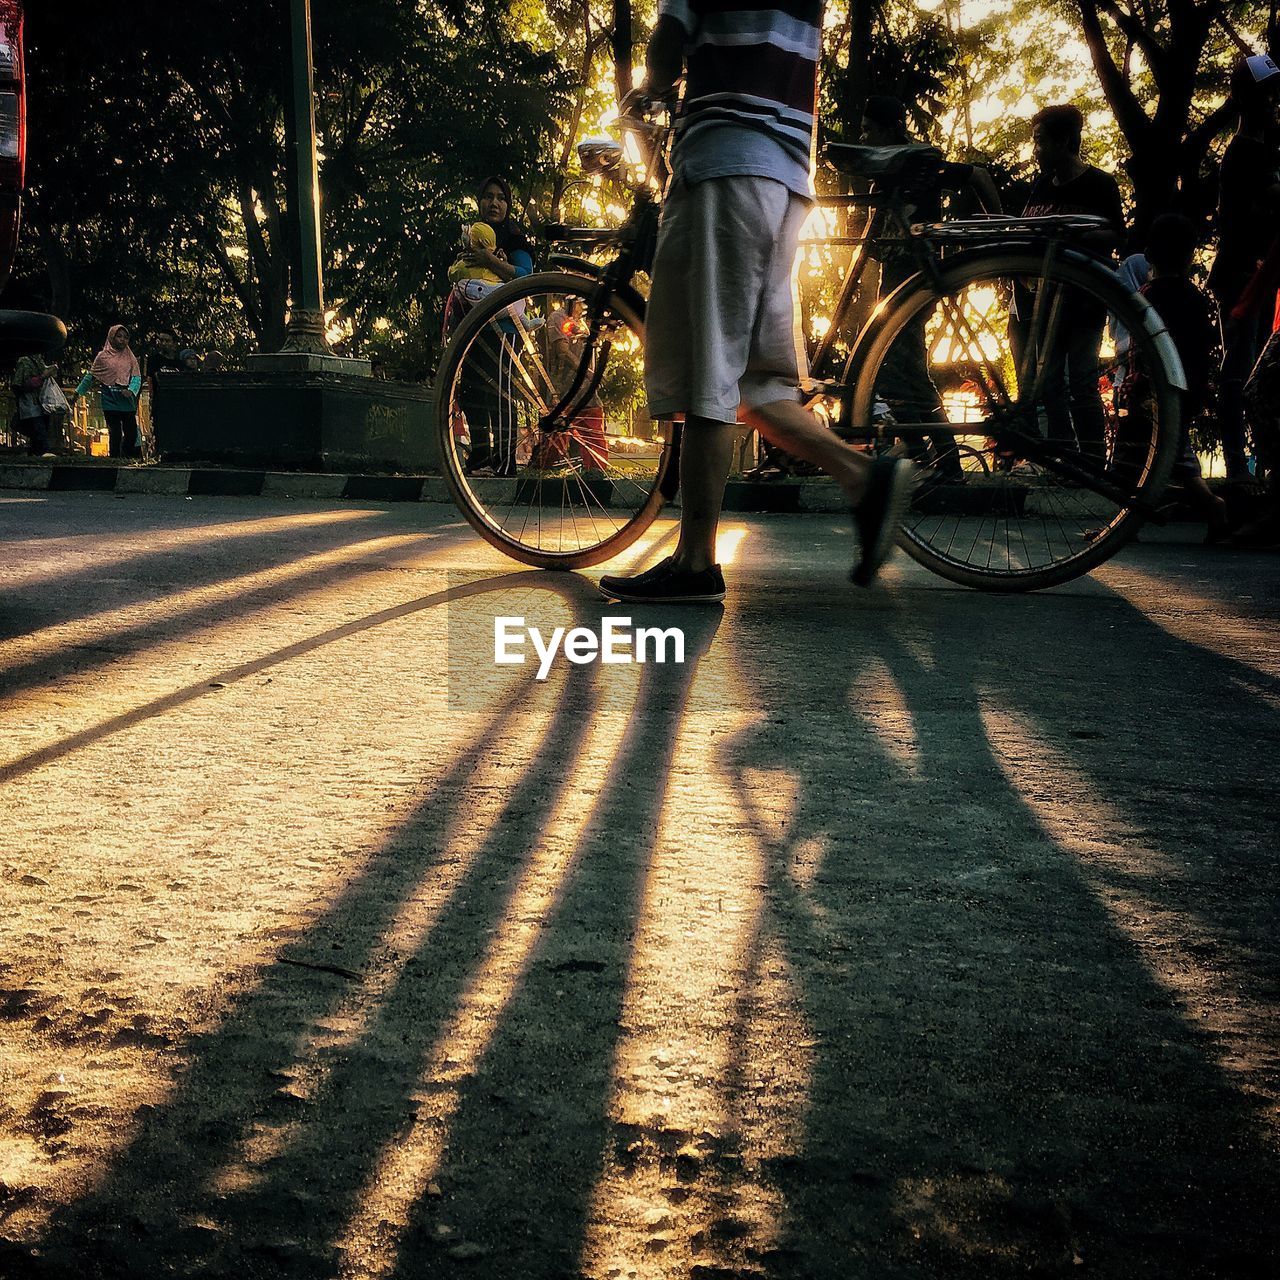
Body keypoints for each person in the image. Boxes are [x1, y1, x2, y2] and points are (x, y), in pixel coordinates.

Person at [599, 2, 915, 604]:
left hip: (724, 162)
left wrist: (649, 88)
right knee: (758, 383)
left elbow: (668, 43)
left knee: (708, 370)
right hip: (787, 177)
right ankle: (864, 477)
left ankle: (695, 561)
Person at [861, 95, 1003, 481]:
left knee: (899, 371)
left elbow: (976, 175)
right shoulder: (887, 168)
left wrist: (1000, 225)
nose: (865, 136)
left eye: (869, 129)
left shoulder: (917, 161)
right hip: (896, 280)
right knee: (899, 370)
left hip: (916, 275)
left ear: (889, 129)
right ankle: (935, 457)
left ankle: (937, 457)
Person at [1015, 104, 1125, 462]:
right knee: (1048, 383)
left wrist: (1071, 233)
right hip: (1045, 300)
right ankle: (1062, 456)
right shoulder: (1042, 185)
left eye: (1041, 142)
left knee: (1081, 380)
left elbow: (1116, 235)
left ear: (1064, 142)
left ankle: (1093, 459)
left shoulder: (1099, 184)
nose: (1036, 151)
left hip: (1083, 300)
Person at [1123, 213, 1228, 541]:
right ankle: (1131, 522)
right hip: (1183, 391)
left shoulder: (1147, 295)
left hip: (1153, 392)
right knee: (1165, 456)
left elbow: (1139, 346)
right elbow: (1203, 348)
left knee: (1153, 458)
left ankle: (1213, 507)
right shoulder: (1193, 297)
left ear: (1150, 254)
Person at [1208, 53, 1280, 483]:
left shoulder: (1256, 148)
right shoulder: (1246, 152)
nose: (1273, 100)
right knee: (1241, 373)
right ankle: (1239, 469)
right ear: (1245, 97)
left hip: (1253, 273)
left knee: (1248, 370)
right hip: (1241, 275)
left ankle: (1249, 466)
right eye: (1265, 91)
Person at [451, 176, 535, 476]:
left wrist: (491, 260)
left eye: (501, 197)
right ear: (479, 201)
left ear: (508, 204)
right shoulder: (474, 237)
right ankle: (479, 457)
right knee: (472, 391)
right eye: (488, 197)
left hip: (506, 328)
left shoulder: (514, 237)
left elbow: (525, 276)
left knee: (500, 393)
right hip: (474, 328)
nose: (494, 203)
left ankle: (505, 462)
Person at [71, 325, 143, 459]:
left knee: (131, 433)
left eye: (125, 337)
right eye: (119, 336)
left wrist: (131, 390)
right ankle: (114, 459)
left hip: (127, 401)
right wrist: (78, 393)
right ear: (112, 337)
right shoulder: (102, 357)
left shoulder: (130, 357)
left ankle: (126, 458)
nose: (122, 340)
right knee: (115, 432)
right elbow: (91, 377)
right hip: (110, 400)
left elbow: (136, 377)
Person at [10, 349, 61, 456]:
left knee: (40, 434)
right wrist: (41, 378)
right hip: (31, 404)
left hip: (43, 403)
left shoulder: (39, 360)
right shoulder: (25, 361)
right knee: (39, 433)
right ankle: (41, 454)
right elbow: (19, 385)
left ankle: (35, 454)